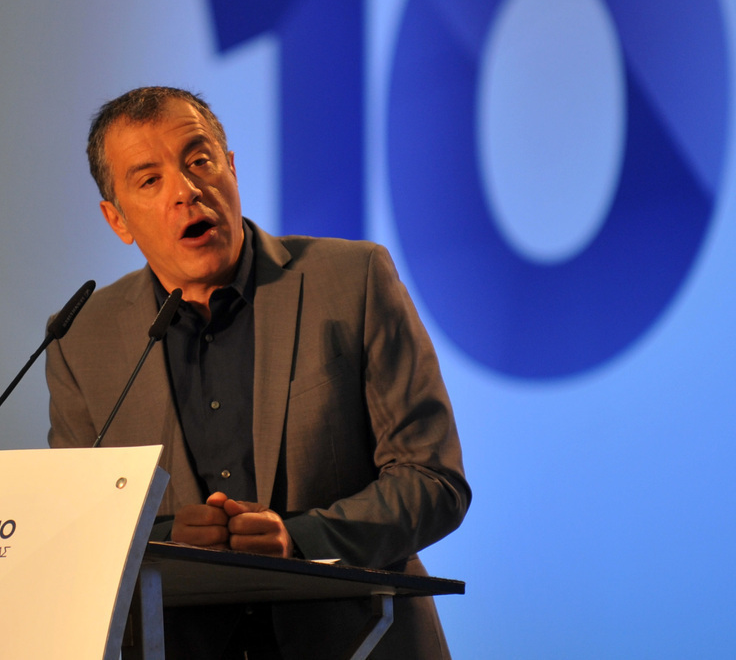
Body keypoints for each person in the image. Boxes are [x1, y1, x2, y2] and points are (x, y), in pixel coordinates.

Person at [46, 86, 470, 658]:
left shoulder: (354, 280)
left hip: (358, 640)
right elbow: (83, 527)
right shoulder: (82, 340)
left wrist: (299, 540)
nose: (186, 190)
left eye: (200, 161)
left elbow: (432, 480)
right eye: (149, 180)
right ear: (117, 219)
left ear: (231, 167)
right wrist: (169, 541)